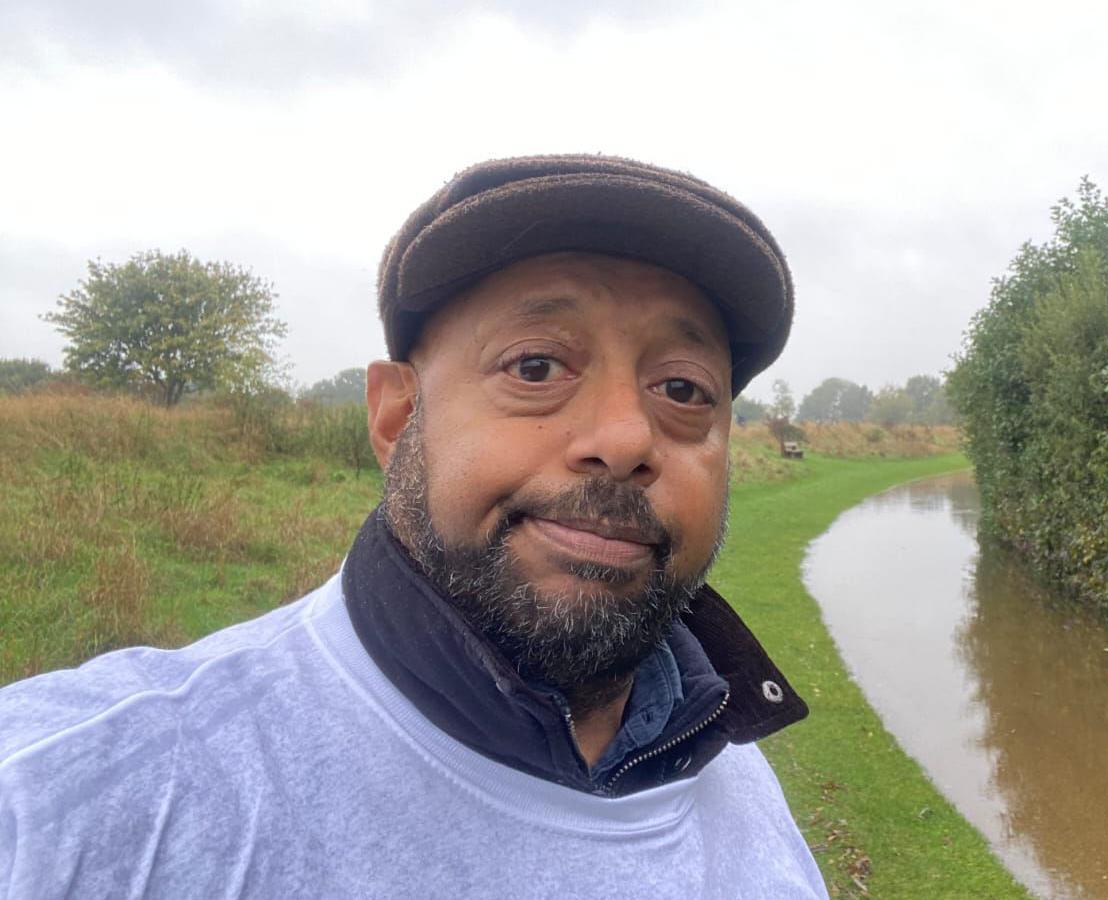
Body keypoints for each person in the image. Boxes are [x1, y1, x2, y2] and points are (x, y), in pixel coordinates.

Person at [0, 156, 828, 898]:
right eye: (535, 367)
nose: (624, 438)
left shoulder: (731, 766)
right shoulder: (78, 801)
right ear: (398, 416)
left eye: (683, 390)